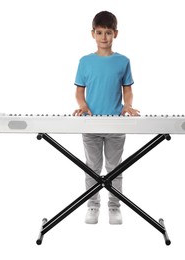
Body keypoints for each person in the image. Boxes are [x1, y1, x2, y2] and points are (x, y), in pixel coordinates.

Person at [73, 11, 139, 225]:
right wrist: (82, 106)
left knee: (115, 168)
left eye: (108, 33)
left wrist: (127, 105)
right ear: (93, 34)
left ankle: (114, 207)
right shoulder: (84, 62)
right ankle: (92, 206)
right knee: (91, 167)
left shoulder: (123, 61)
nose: (104, 37)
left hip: (115, 123)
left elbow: (127, 89)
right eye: (99, 32)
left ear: (115, 34)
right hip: (91, 124)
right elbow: (79, 92)